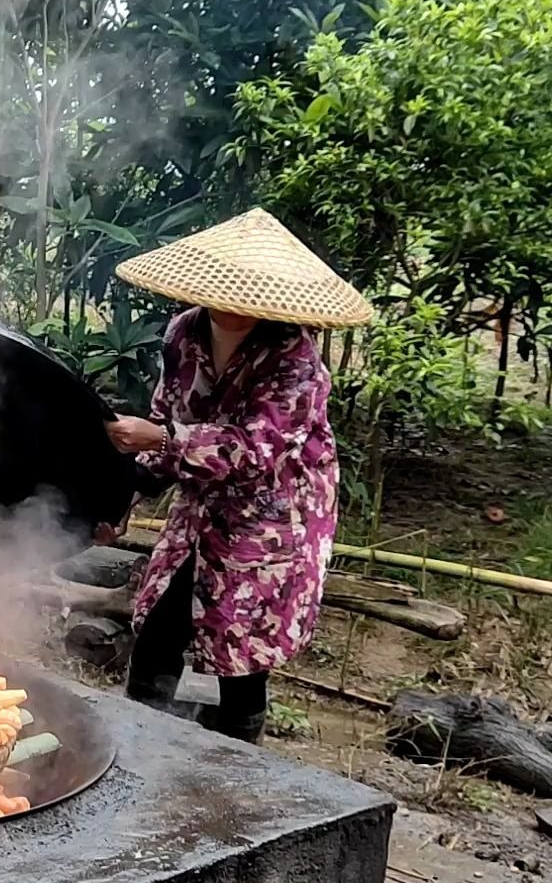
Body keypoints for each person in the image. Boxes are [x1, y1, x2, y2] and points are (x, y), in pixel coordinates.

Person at [103, 208, 372, 743]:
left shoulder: (296, 360)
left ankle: (239, 760)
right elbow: (167, 419)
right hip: (202, 504)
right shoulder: (184, 334)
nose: (229, 309)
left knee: (243, 646)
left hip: (273, 517)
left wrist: (161, 440)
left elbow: (253, 451)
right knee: (159, 625)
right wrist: (120, 499)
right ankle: (139, 741)